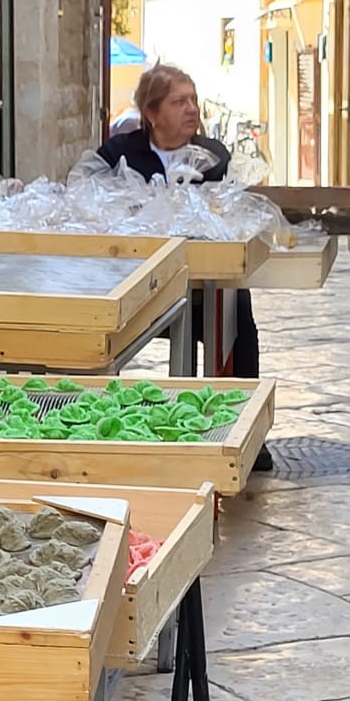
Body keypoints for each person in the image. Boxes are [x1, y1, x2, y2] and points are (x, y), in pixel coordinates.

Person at [97, 67, 265, 466]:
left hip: (204, 274)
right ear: (152, 113)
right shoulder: (118, 153)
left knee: (239, 318)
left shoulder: (213, 155)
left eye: (193, 99)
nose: (192, 109)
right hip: (138, 277)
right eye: (179, 101)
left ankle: (244, 432)